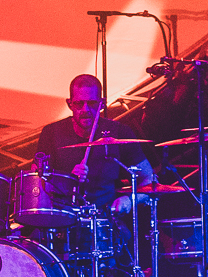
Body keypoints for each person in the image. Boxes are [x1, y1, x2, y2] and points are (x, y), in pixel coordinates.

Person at [33, 74, 155, 215]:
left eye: (91, 103)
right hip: (62, 217)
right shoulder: (51, 133)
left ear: (102, 104)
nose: (85, 109)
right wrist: (68, 181)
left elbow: (150, 181)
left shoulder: (120, 132)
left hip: (106, 221)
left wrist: (129, 200)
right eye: (79, 104)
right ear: (69, 104)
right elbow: (36, 182)